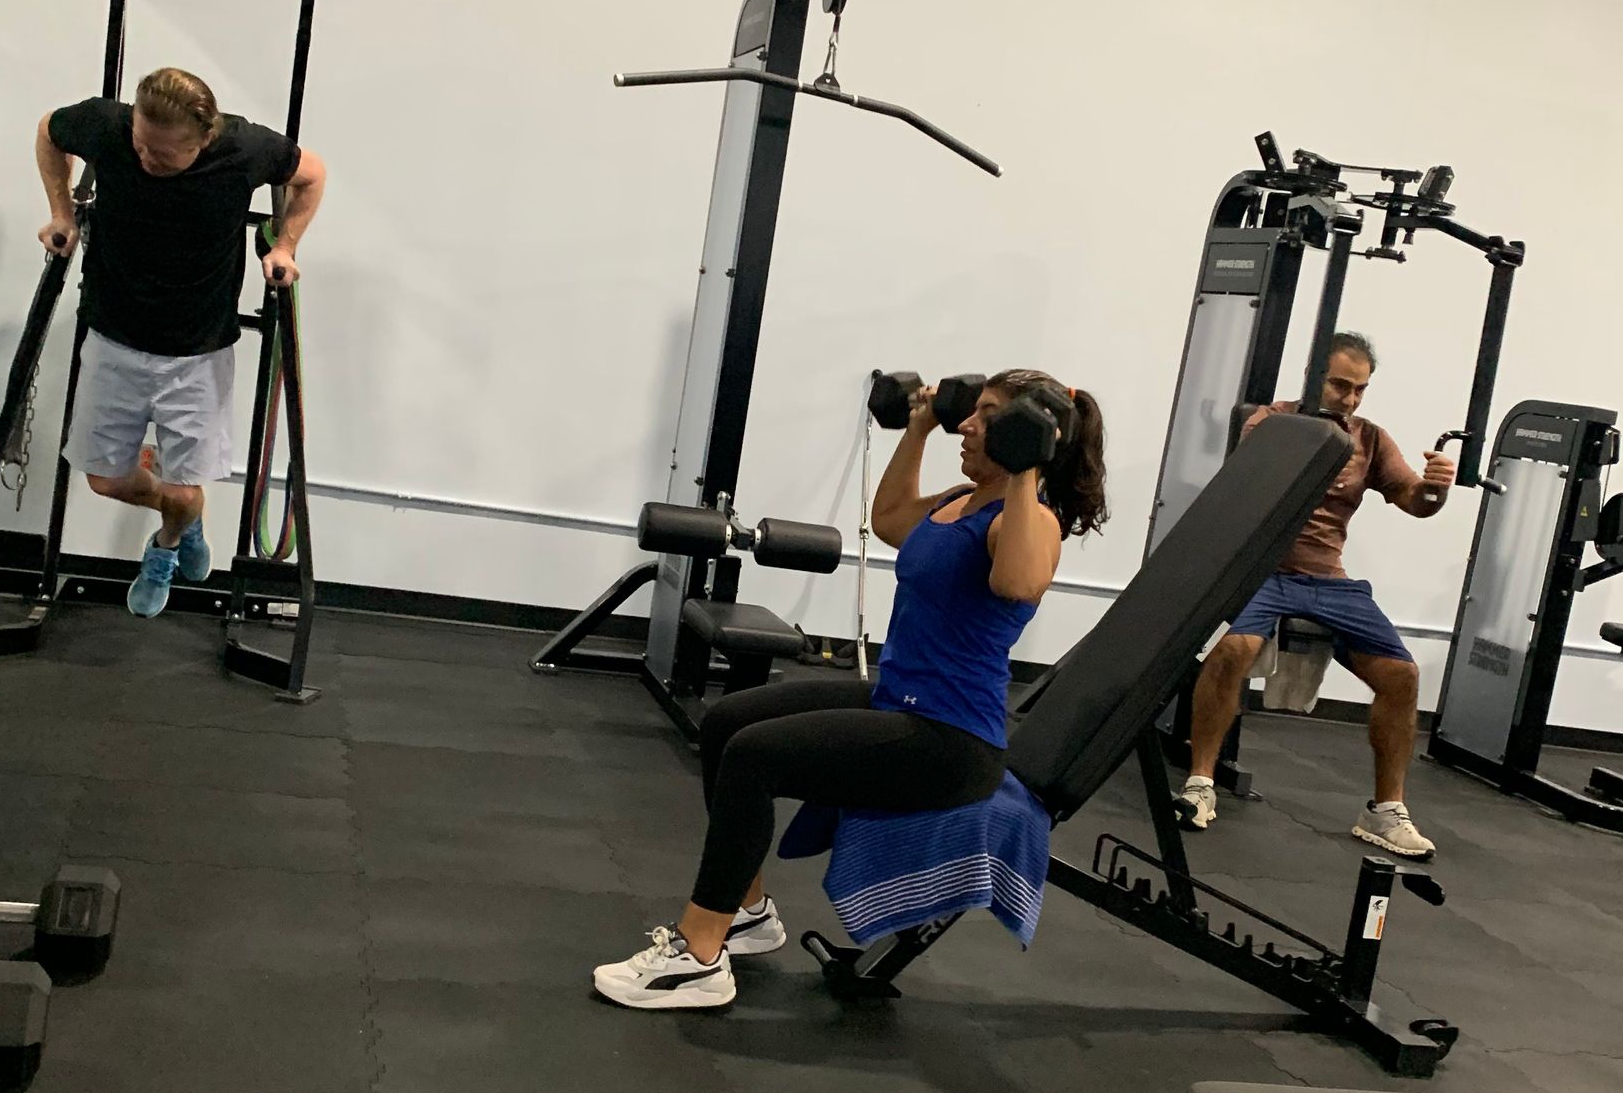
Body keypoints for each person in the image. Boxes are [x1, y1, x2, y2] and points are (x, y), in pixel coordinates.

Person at [592, 370, 1109, 1010]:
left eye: (989, 417)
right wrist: (918, 427)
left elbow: (1017, 585)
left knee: (754, 757)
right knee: (728, 724)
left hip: (951, 739)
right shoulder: (963, 499)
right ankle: (747, 913)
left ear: (1025, 436)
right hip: (899, 699)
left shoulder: (1030, 521)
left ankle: (700, 956)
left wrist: (1029, 466)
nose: (969, 426)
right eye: (972, 412)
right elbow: (889, 521)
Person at [37, 68, 326, 618]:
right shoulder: (106, 126)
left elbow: (311, 174)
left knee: (184, 490)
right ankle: (186, 521)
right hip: (112, 335)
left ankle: (167, 544)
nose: (148, 159)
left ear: (204, 139)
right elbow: (49, 131)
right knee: (105, 480)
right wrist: (60, 213)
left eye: (165, 154)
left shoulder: (242, 149)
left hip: (198, 352)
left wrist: (285, 246)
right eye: (142, 144)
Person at [1182, 331, 1452, 858]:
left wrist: (1435, 488)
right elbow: (1253, 481)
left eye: (1359, 390)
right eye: (1339, 385)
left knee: (1402, 676)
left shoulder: (1371, 439)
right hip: (1263, 573)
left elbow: (1414, 501)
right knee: (1232, 649)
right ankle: (1200, 783)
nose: (1349, 399)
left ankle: (1384, 811)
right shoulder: (1271, 422)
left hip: (1327, 579)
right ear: (1313, 378)